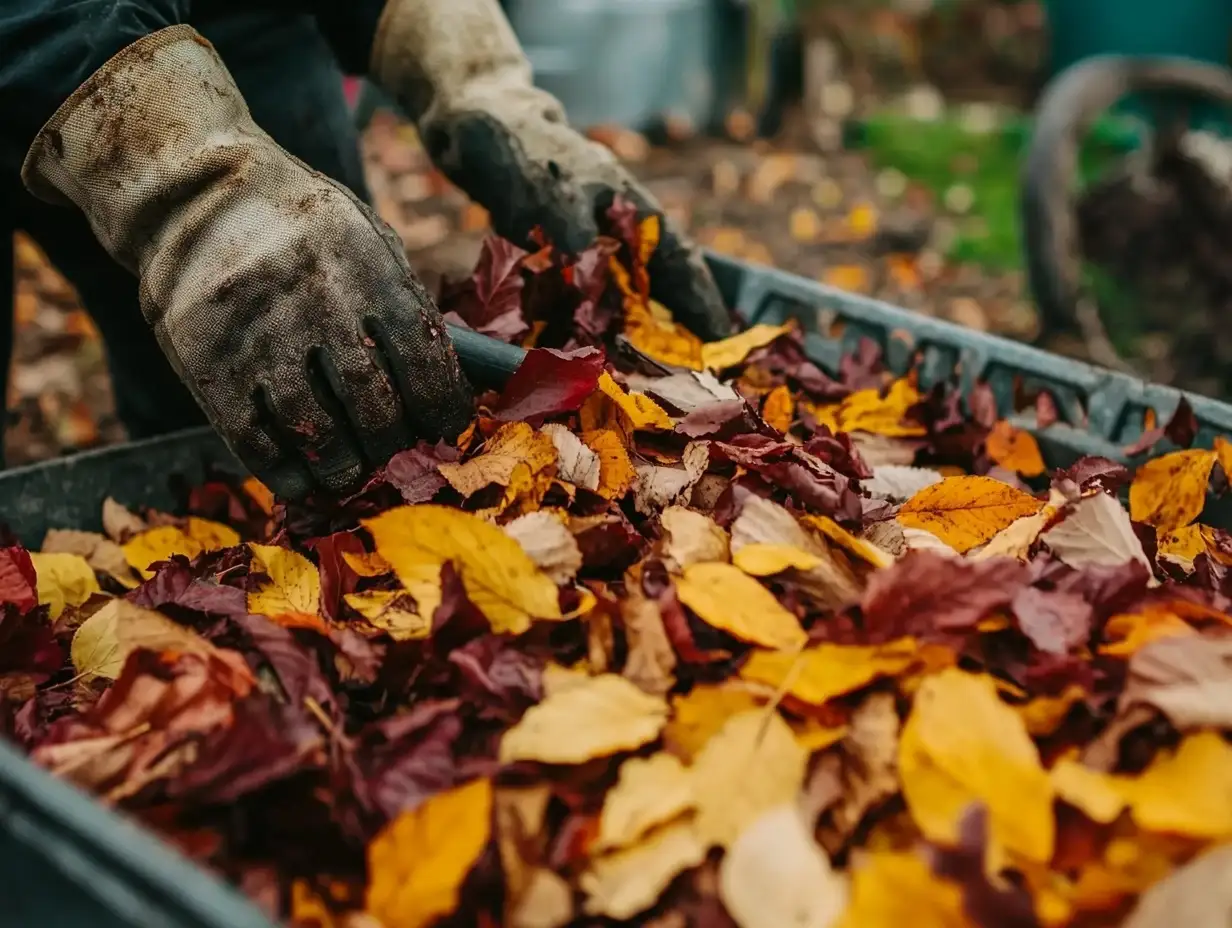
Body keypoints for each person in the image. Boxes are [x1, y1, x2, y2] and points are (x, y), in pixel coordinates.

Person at [0, 0, 732, 500]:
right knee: (266, 314)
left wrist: (470, 73)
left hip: (228, 25)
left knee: (309, 397)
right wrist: (196, 193)